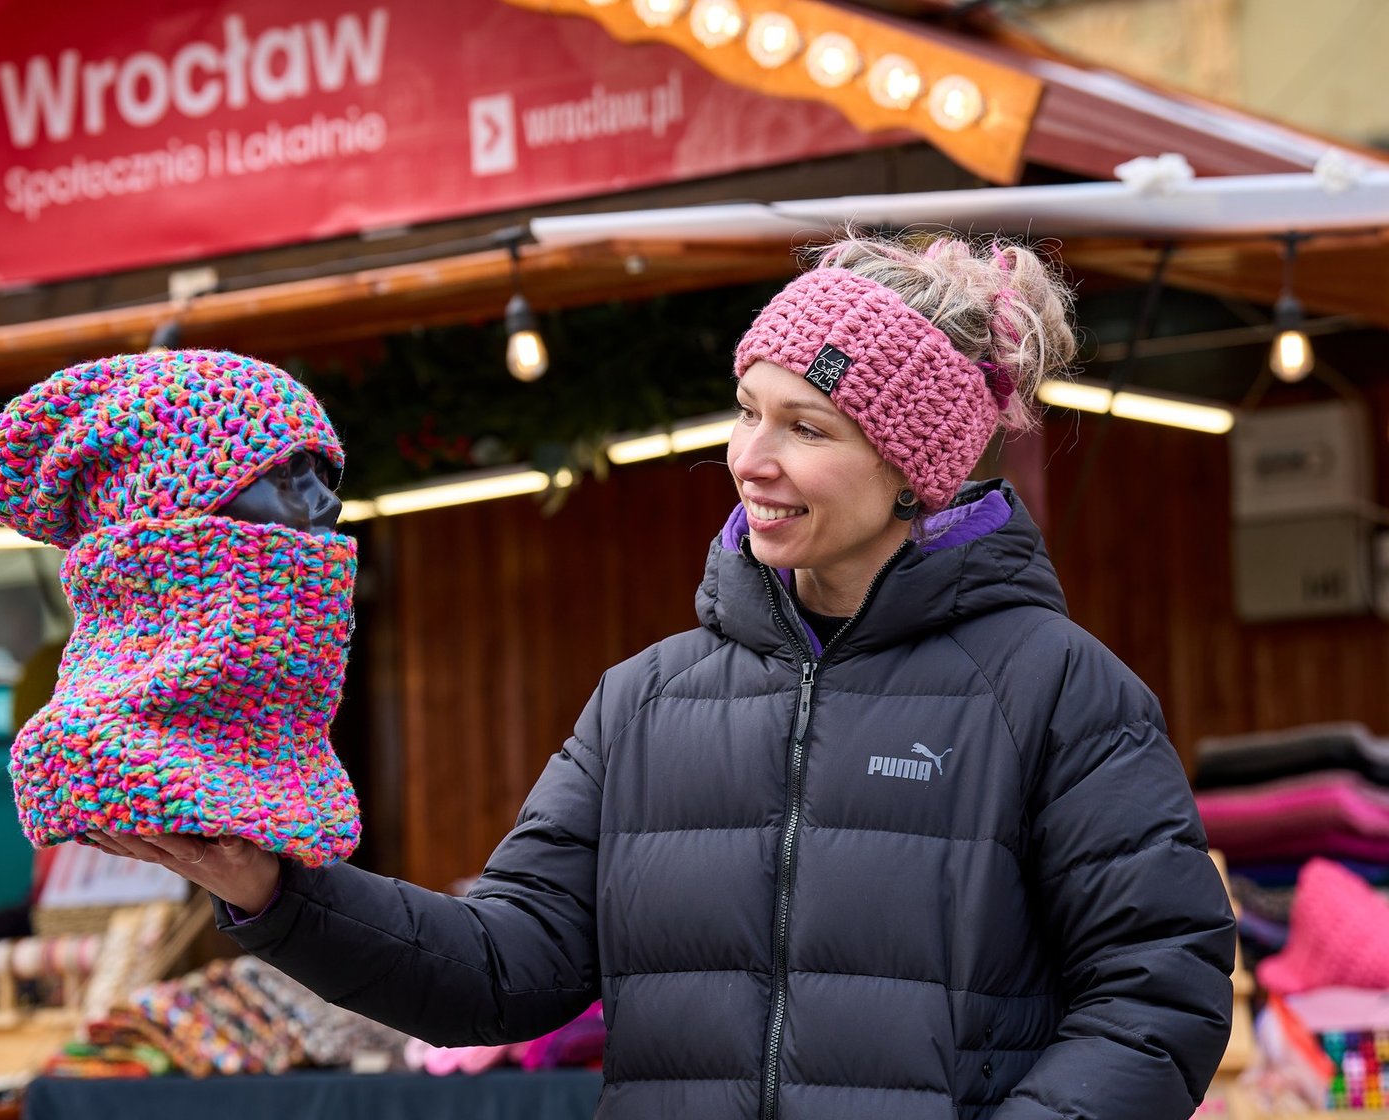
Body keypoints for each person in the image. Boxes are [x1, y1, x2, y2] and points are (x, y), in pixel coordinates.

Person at [89, 234, 1237, 1120]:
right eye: (748, 411)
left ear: (912, 472)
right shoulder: (644, 703)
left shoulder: (1061, 695)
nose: (752, 458)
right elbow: (501, 967)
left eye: (807, 427)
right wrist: (277, 891)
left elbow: (1158, 992)